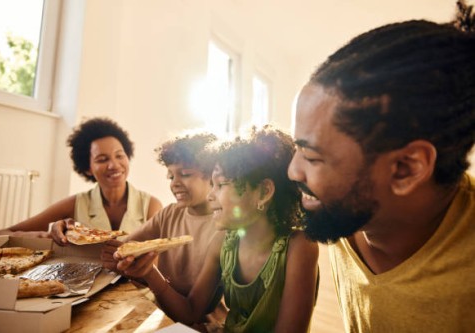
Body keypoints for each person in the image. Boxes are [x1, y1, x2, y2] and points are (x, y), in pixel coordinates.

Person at [287, 1, 475, 331]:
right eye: (297, 149)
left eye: (313, 157)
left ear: (406, 168)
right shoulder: (344, 211)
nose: (293, 171)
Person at [115, 126, 319, 333]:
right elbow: (190, 311)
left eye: (220, 185)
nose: (211, 195)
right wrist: (150, 272)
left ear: (264, 191)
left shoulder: (299, 246)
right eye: (212, 184)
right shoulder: (224, 241)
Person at [101, 131, 228, 329]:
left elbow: (190, 314)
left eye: (185, 174)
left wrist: (150, 273)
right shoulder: (170, 213)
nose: (175, 183)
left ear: (213, 176)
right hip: (162, 316)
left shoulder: (223, 227)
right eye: (171, 176)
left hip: (201, 326)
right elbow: (120, 249)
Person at [0, 117, 162, 243]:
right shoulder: (74, 204)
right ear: (87, 168)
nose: (114, 165)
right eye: (102, 159)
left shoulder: (151, 206)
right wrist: (46, 235)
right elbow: (0, 234)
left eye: (119, 156)